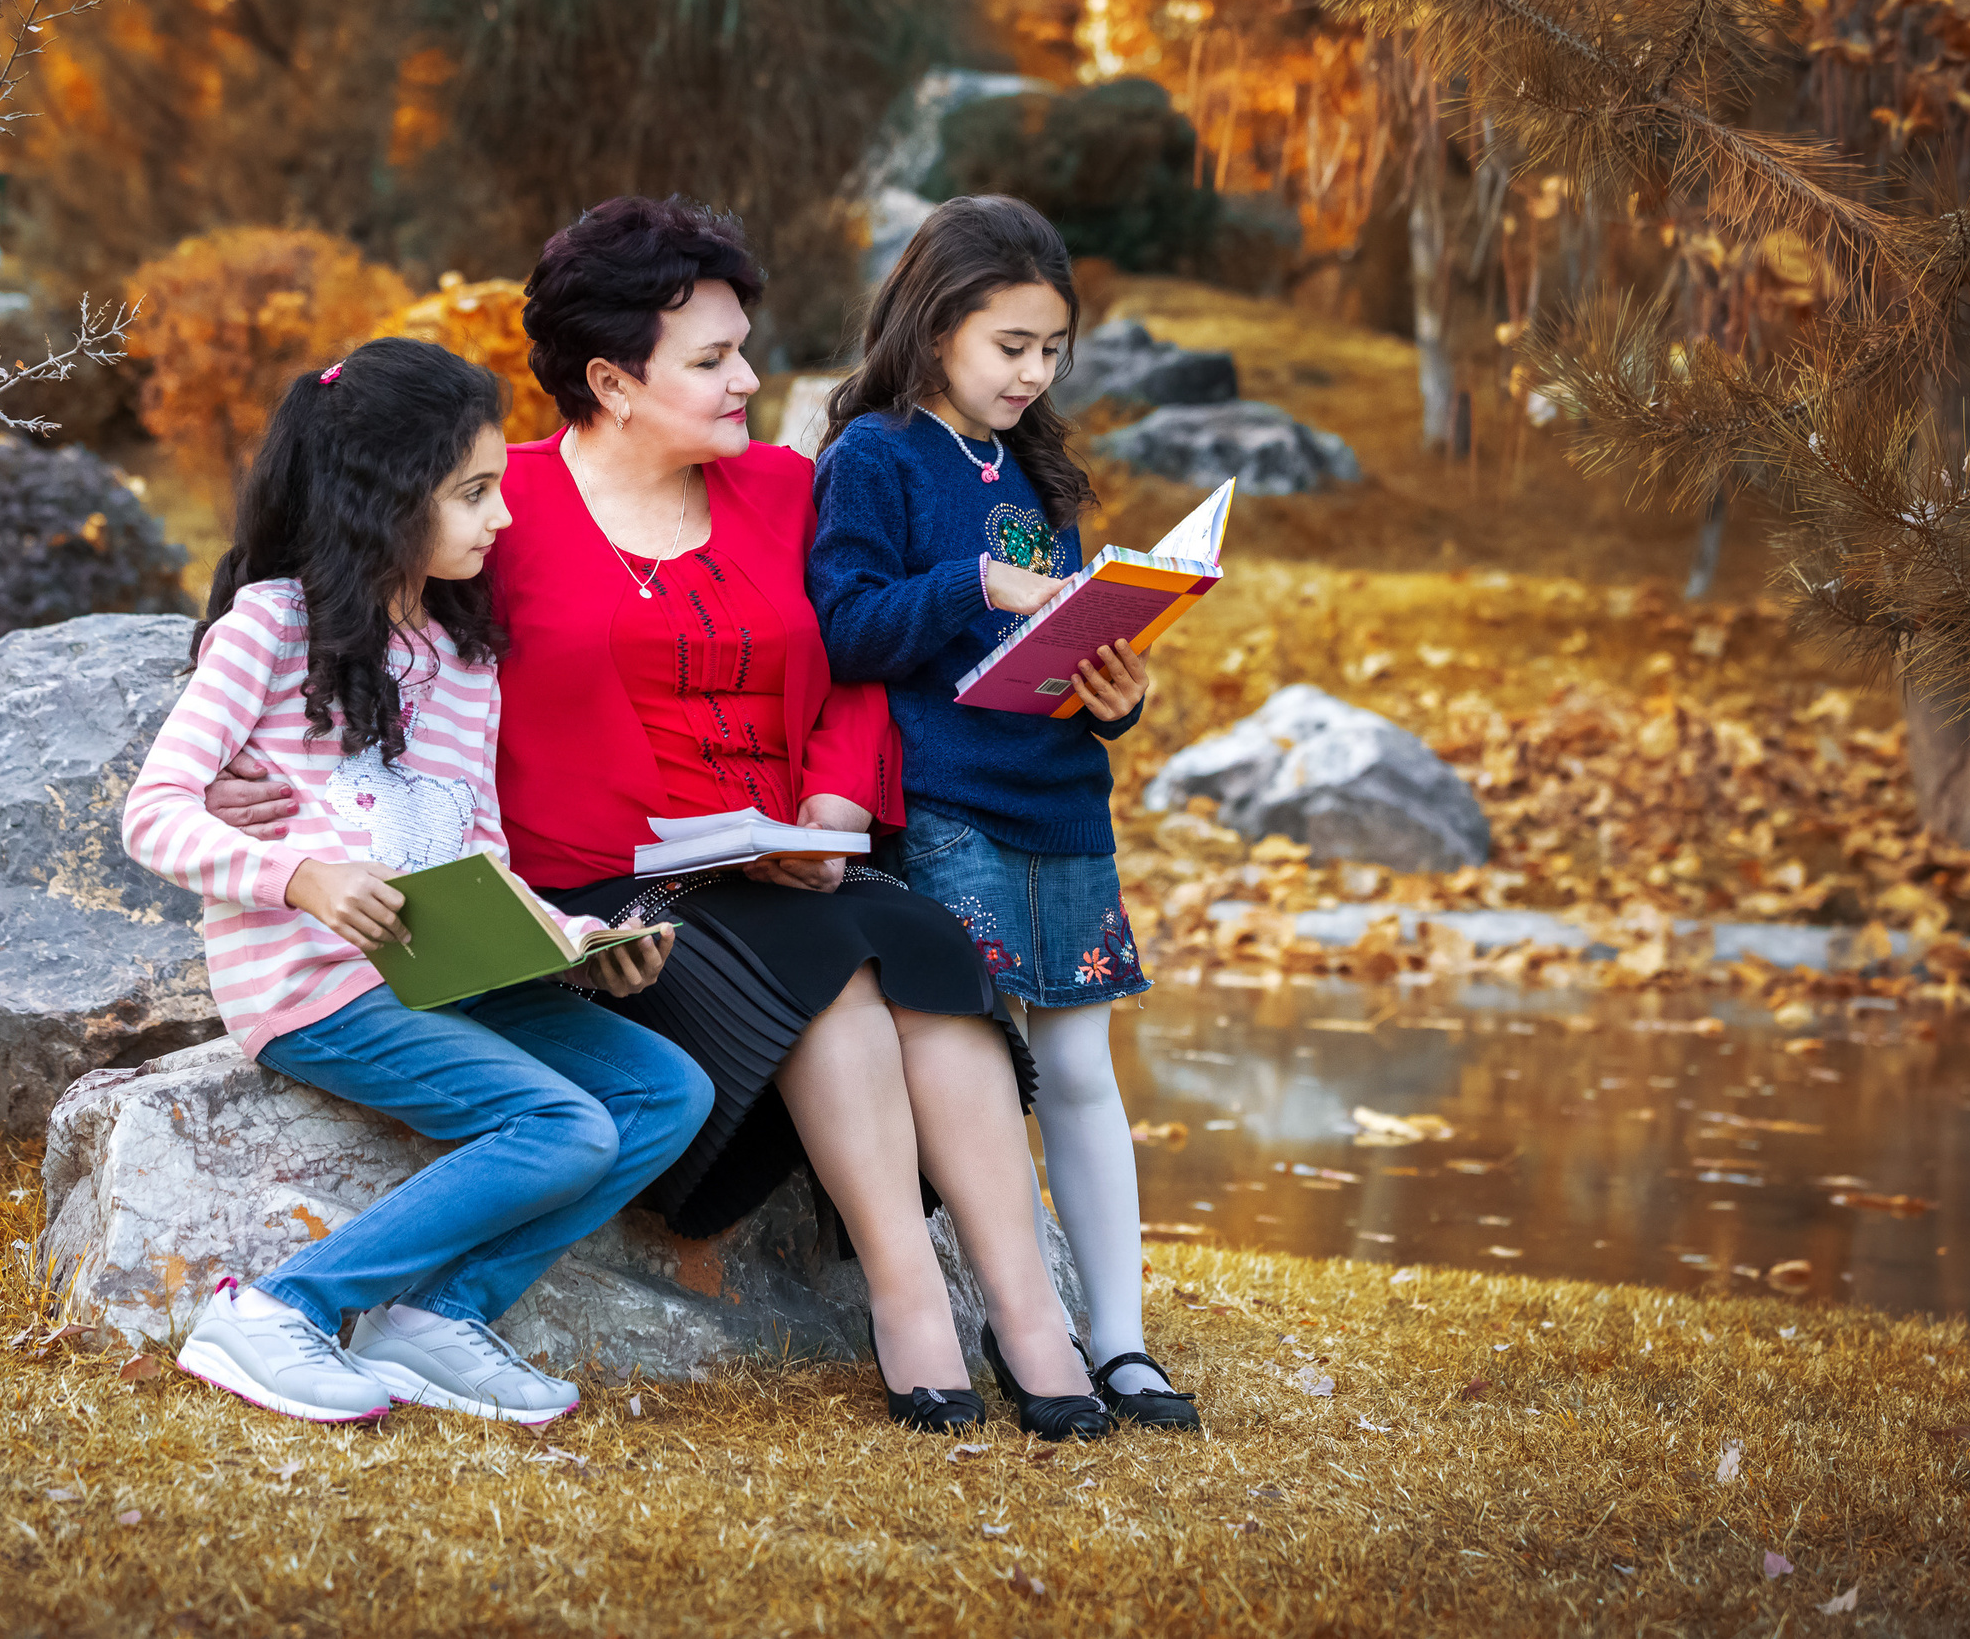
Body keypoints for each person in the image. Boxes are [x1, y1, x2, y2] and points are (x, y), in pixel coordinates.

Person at [208, 196, 1114, 1440]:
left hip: (788, 855)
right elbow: (319, 584)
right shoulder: (496, 509)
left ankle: (1029, 1322)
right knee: (832, 966)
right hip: (604, 890)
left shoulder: (784, 491)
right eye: (711, 359)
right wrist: (238, 767)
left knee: (929, 949)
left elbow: (850, 662)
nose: (749, 377)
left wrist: (838, 794)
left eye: (742, 346)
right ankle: (909, 1307)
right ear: (610, 379)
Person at [122, 337, 711, 1428]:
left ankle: (438, 1322)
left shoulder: (465, 658)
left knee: (667, 1090)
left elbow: (476, 849)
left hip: (443, 971)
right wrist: (299, 877)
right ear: (386, 498)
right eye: (473, 494)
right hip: (313, 986)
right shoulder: (269, 628)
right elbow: (152, 814)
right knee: (564, 1126)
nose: (502, 518)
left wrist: (574, 941)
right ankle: (279, 1311)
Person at [807, 194, 1201, 1431]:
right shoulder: (872, 456)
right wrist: (973, 580)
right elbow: (846, 626)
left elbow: (1062, 648)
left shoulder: (1035, 467)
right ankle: (988, 1315)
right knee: (976, 1062)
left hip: (1059, 800)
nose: (1034, 374)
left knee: (1080, 1063)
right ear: (932, 333)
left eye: (1050, 350)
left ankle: (1121, 1341)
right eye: (1009, 347)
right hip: (944, 806)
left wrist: (1114, 694)